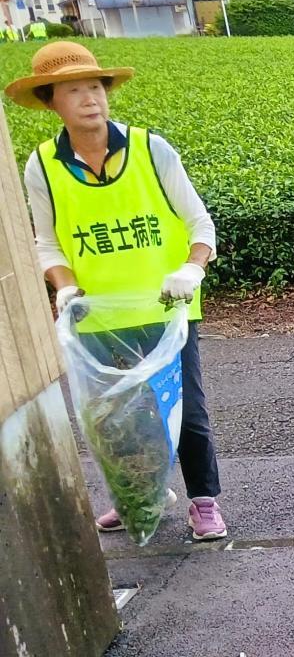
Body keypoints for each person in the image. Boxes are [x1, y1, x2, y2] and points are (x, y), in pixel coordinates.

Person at [9, 40, 229, 541]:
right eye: (74, 91)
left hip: (166, 307)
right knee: (116, 420)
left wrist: (192, 269)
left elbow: (200, 225)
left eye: (95, 87)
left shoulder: (152, 149)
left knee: (185, 409)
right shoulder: (42, 167)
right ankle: (142, 497)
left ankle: (202, 501)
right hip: (98, 316)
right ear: (51, 102)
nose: (90, 99)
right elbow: (47, 244)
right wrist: (64, 288)